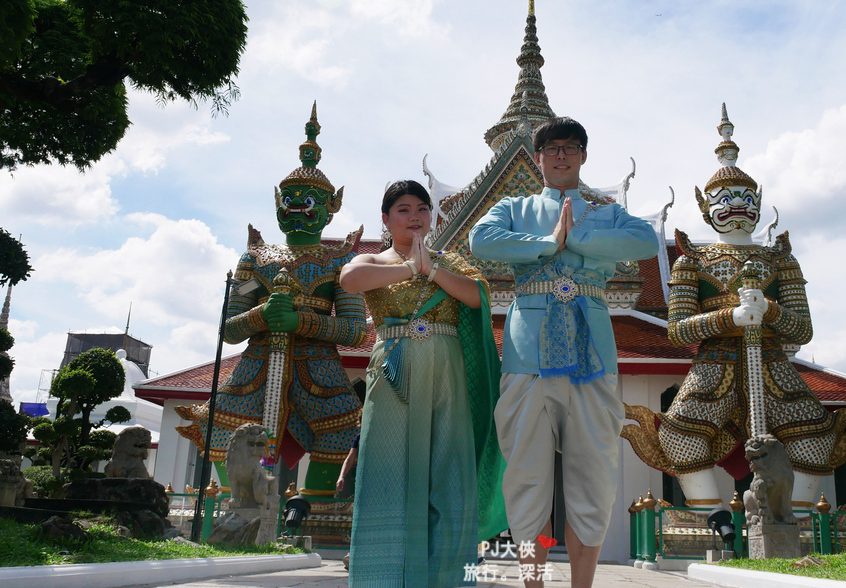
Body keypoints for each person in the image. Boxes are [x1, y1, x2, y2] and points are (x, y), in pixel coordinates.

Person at [629, 105, 846, 521]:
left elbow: (803, 328)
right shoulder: (693, 261)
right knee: (680, 439)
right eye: (724, 200)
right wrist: (731, 318)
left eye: (744, 198)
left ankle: (794, 520)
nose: (736, 205)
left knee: (813, 440)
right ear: (706, 210)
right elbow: (678, 332)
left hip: (772, 363)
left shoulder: (781, 259)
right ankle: (717, 520)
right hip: (714, 365)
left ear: (758, 204)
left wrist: (769, 310)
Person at [469, 117, 659, 588]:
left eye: (570, 148)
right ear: (538, 158)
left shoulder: (605, 211)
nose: (560, 155)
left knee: (592, 479)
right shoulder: (514, 208)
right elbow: (480, 241)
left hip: (591, 352)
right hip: (526, 354)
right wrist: (547, 242)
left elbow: (644, 241)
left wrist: (577, 236)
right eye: (551, 148)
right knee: (528, 479)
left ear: (583, 156)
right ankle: (534, 583)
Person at [176, 105, 365, 495]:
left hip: (320, 370)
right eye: (291, 196)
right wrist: (262, 313)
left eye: (309, 197)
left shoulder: (340, 261)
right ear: (278, 203)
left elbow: (355, 331)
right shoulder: (254, 261)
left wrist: (303, 323)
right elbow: (229, 328)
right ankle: (238, 503)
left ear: (331, 209)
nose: (297, 203)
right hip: (258, 365)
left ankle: (312, 509)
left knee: (343, 429)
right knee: (223, 425)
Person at [342, 180, 506, 588]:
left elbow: (477, 297)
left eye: (421, 208)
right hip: (393, 373)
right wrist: (409, 268)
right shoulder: (375, 262)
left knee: (449, 466)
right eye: (402, 209)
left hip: (448, 372)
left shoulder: (452, 261)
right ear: (385, 218)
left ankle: (446, 576)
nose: (414, 216)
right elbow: (349, 279)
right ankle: (384, 574)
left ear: (431, 216)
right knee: (388, 464)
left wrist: (431, 268)